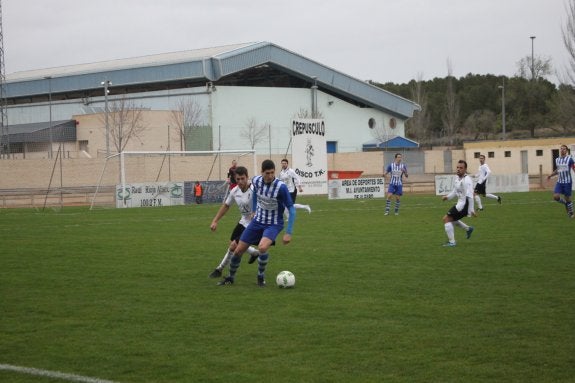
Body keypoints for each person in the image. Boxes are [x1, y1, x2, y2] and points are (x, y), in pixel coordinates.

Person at [218, 159, 296, 287]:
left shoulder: (281, 187)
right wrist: (254, 210)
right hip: (257, 221)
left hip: (273, 223)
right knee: (238, 251)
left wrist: (289, 232)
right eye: (267, 173)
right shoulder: (256, 181)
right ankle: (230, 278)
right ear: (262, 172)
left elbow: (292, 209)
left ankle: (260, 276)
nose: (270, 176)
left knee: (262, 247)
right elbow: (254, 194)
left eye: (272, 173)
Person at [208, 166, 261, 278]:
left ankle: (219, 269)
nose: (240, 181)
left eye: (243, 178)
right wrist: (215, 221)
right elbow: (226, 206)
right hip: (243, 221)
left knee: (233, 246)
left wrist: (256, 211)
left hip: (254, 224)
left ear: (247, 177)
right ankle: (254, 252)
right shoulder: (234, 191)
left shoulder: (255, 189)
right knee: (232, 243)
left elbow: (264, 201)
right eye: (238, 179)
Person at [441, 160, 474, 247]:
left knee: (446, 219)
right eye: (457, 167)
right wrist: (447, 197)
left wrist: (471, 210)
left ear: (465, 169)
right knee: (453, 219)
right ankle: (468, 229)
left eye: (461, 168)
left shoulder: (467, 180)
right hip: (460, 204)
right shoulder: (457, 178)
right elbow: (455, 192)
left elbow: (470, 196)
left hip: (463, 206)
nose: (458, 169)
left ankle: (452, 242)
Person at [547, 144, 575, 218]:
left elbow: (573, 168)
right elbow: (558, 170)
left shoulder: (570, 159)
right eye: (561, 149)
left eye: (564, 149)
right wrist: (550, 175)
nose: (562, 150)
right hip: (560, 182)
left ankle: (571, 213)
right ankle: (565, 203)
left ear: (566, 151)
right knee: (555, 197)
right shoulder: (557, 159)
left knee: (568, 198)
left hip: (567, 182)